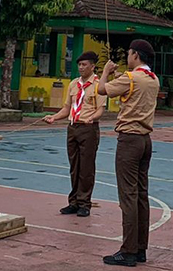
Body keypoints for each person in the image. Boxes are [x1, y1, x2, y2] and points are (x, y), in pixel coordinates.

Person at [96, 39, 159, 267]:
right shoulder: (153, 79)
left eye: (130, 54)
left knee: (128, 196)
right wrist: (119, 75)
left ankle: (129, 250)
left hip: (129, 141)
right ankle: (141, 248)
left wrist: (106, 71)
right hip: (145, 140)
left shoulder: (131, 78)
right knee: (141, 195)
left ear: (135, 55)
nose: (128, 57)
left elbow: (102, 89)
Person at [43, 51, 105, 217]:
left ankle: (85, 203)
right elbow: (67, 108)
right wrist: (54, 117)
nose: (81, 67)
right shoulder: (73, 84)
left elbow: (100, 110)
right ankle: (74, 202)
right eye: (79, 64)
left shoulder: (99, 85)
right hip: (73, 127)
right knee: (74, 166)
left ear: (93, 66)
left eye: (84, 65)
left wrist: (92, 118)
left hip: (88, 128)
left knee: (86, 168)